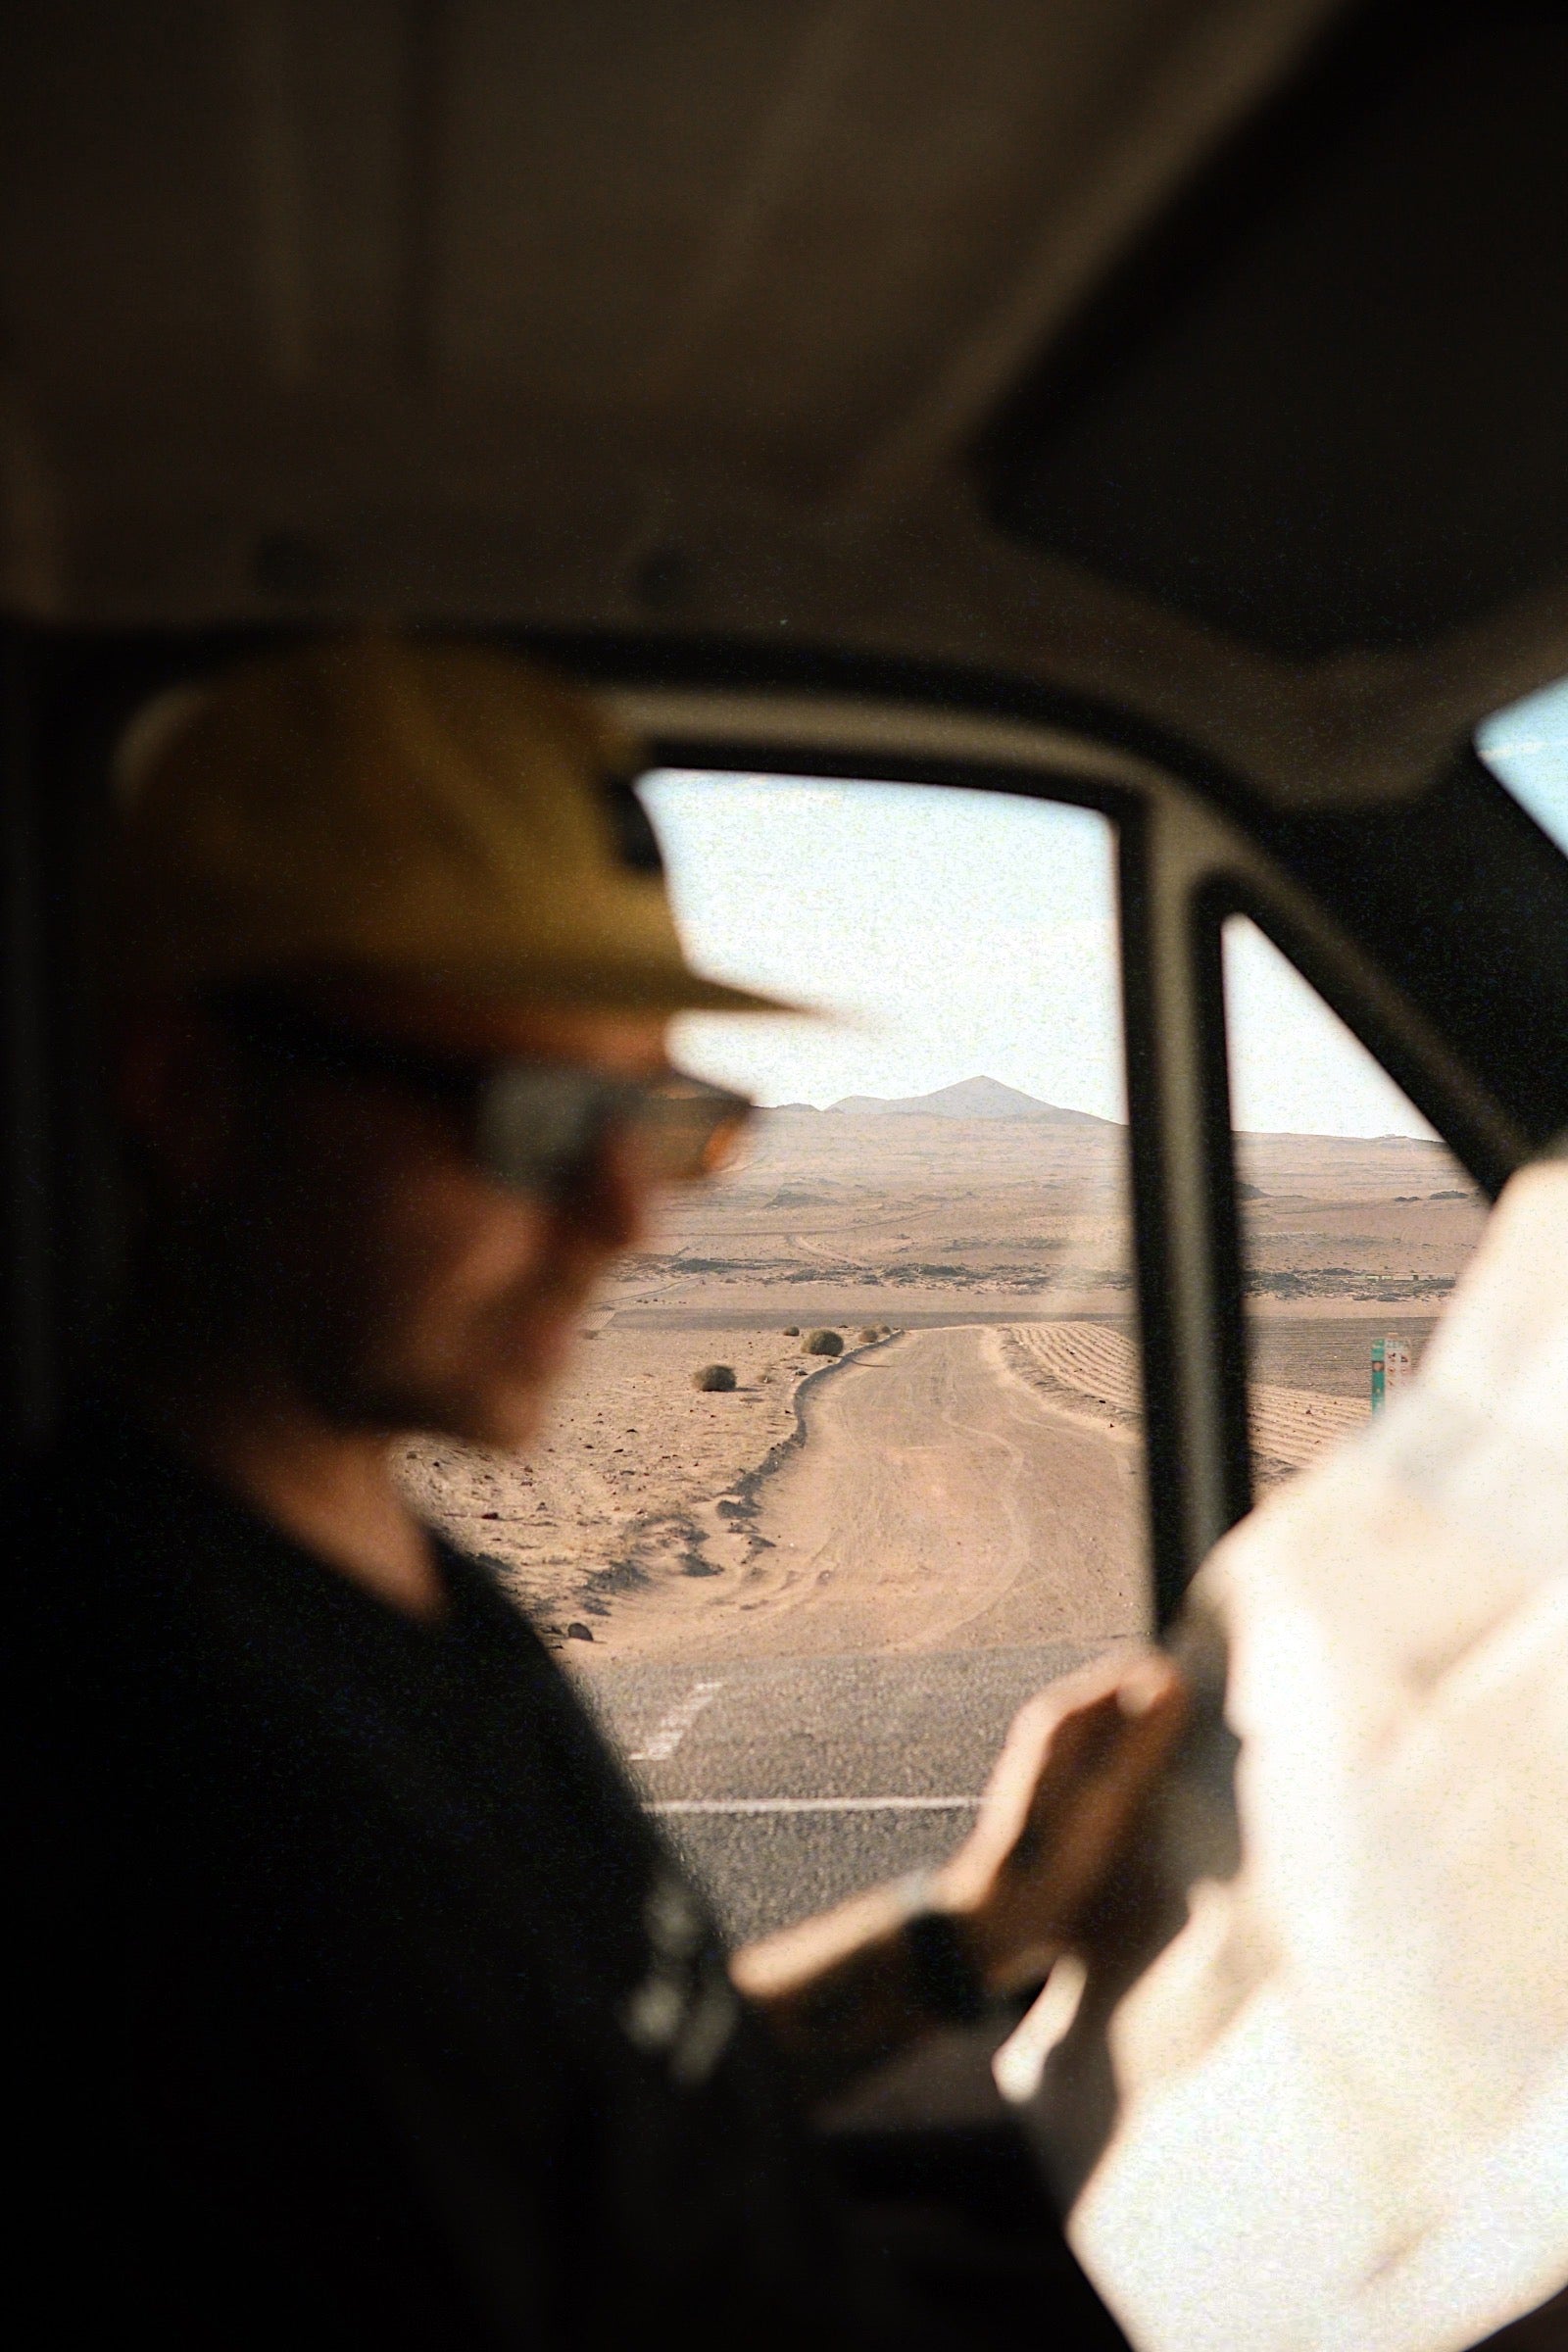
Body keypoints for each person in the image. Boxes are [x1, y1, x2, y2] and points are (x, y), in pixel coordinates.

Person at [14, 637, 1186, 2344]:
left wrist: (961, 1935)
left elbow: (607, 2112)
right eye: (534, 1115)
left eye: (651, 1118)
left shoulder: (365, 1571)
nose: (625, 1218)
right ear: (191, 1093)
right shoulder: (157, 1801)